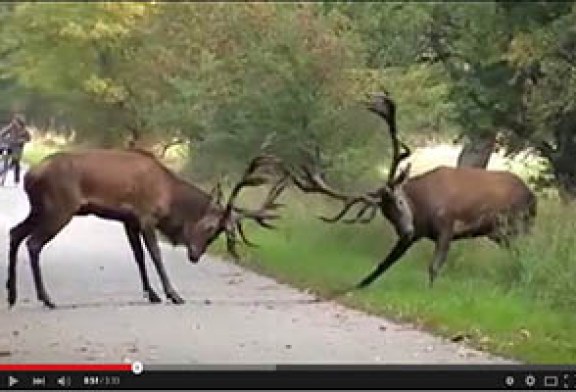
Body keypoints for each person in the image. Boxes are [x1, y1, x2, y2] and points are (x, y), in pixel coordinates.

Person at [0, 114, 31, 185]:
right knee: (4, 155)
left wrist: (21, 140)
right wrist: (2, 138)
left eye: (15, 122)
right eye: (13, 121)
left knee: (16, 162)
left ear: (19, 123)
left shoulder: (24, 130)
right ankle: (3, 171)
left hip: (18, 148)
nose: (14, 123)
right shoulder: (11, 127)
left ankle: (16, 179)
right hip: (10, 146)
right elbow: (3, 133)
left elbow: (28, 139)